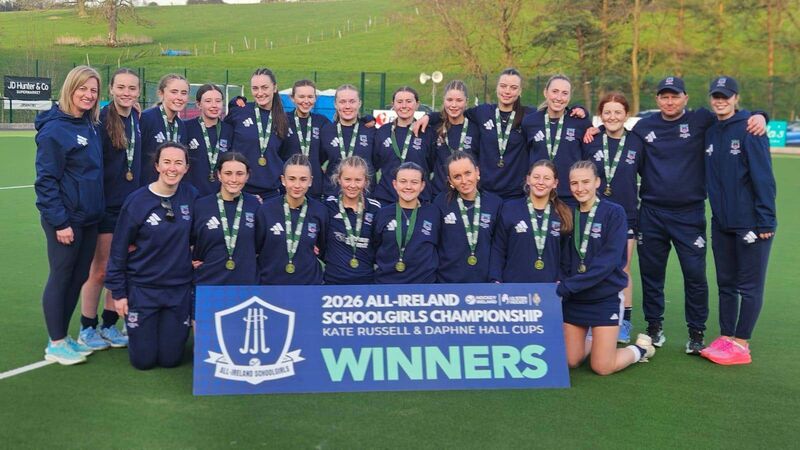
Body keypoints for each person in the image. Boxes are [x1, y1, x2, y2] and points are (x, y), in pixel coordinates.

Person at [629, 76, 766, 354]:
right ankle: (654, 327)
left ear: (686, 98)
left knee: (695, 276)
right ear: (656, 100)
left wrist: (761, 115)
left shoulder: (701, 120)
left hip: (688, 214)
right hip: (652, 212)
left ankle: (696, 333)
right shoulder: (643, 127)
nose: (669, 101)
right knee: (652, 274)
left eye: (675, 96)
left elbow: (733, 115)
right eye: (664, 96)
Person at [701, 76, 776, 365]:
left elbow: (764, 178)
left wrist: (766, 221)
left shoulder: (750, 128)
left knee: (750, 286)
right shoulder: (710, 129)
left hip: (752, 224)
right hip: (721, 223)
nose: (720, 101)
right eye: (716, 96)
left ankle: (741, 344)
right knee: (725, 283)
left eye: (726, 96)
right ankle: (726, 336)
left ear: (736, 98)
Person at [557, 161, 656, 375]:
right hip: (575, 299)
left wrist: (567, 286)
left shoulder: (614, 212)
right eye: (574, 183)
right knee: (571, 361)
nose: (580, 188)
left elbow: (608, 262)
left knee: (602, 367)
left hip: (604, 297)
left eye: (586, 182)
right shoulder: (568, 213)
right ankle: (597, 340)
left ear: (597, 182)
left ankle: (639, 349)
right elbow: (564, 258)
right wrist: (564, 283)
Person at [106, 142, 198, 370]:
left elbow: (207, 227)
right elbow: (118, 250)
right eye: (166, 162)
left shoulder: (191, 196)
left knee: (170, 360)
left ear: (186, 168)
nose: (172, 168)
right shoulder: (137, 202)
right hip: (143, 289)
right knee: (143, 362)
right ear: (157, 165)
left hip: (178, 290)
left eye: (179, 163)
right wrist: (119, 294)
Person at [35, 65, 104, 365]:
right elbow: (46, 181)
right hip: (65, 220)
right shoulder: (54, 130)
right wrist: (60, 221)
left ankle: (64, 337)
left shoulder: (89, 124)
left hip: (89, 218)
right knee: (61, 277)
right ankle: (56, 342)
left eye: (93, 91)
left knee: (78, 278)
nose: (88, 95)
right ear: (70, 89)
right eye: (83, 89)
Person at [76, 68, 140, 351]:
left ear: (138, 92)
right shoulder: (100, 120)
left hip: (131, 208)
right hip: (106, 208)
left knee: (120, 269)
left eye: (132, 88)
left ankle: (109, 324)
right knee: (100, 271)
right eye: (121, 87)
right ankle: (87, 327)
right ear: (111, 90)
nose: (127, 92)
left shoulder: (137, 118)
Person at [581, 92, 644, 344]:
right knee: (593, 264)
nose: (613, 117)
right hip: (595, 212)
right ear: (600, 115)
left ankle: (623, 321)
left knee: (622, 268)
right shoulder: (591, 140)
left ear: (626, 115)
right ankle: (590, 319)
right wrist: (592, 127)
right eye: (607, 112)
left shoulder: (637, 142)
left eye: (618, 112)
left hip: (627, 214)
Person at [489, 159, 572, 283]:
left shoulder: (562, 213)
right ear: (528, 179)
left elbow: (566, 256)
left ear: (555, 183)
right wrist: (495, 279)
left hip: (549, 289)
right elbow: (498, 249)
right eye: (536, 177)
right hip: (514, 289)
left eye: (547, 178)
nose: (540, 182)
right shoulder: (510, 208)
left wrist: (561, 280)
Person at [255, 154, 326, 284]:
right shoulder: (266, 210)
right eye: (292, 179)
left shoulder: (320, 211)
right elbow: (256, 249)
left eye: (303, 179)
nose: (297, 185)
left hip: (308, 285)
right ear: (283, 180)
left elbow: (324, 247)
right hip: (271, 285)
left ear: (310, 181)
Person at [192, 152, 260, 287]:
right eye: (228, 173)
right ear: (219, 175)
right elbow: (186, 240)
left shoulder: (256, 205)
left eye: (240, 174)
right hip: (209, 284)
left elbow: (265, 243)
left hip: (246, 284)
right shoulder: (201, 206)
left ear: (247, 176)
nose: (233, 179)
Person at [524, 74, 592, 207]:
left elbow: (588, 155)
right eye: (555, 92)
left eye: (564, 93)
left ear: (569, 97)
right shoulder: (530, 122)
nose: (559, 98)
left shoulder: (579, 122)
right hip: (538, 195)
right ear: (545, 92)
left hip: (570, 197)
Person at [434, 151, 501, 283]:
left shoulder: (495, 203)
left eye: (468, 173)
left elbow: (499, 247)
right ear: (450, 181)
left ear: (477, 172)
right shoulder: (440, 203)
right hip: (448, 283)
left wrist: (495, 277)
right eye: (457, 176)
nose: (464, 181)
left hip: (485, 284)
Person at [224, 68, 289, 200]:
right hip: (240, 190)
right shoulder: (239, 112)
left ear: (275, 88)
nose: (260, 93)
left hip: (271, 194)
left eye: (265, 88)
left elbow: (283, 156)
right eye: (255, 88)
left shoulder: (283, 119)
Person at [373, 162, 440, 284]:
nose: (408, 187)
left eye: (414, 182)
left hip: (424, 287)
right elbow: (375, 246)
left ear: (422, 185)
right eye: (403, 181)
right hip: (387, 285)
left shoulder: (433, 213)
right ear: (395, 184)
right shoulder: (383, 213)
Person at [323, 155, 382, 285]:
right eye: (347, 179)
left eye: (358, 180)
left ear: (366, 181)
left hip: (366, 282)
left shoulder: (375, 209)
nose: (352, 185)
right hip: (333, 281)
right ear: (339, 179)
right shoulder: (328, 207)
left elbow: (379, 244)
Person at [372, 87, 435, 204]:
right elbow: (375, 164)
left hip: (419, 200)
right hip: (387, 199)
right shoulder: (382, 132)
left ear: (417, 104)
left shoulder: (427, 133)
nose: (404, 106)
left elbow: (431, 166)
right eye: (399, 102)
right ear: (393, 105)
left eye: (409, 101)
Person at [320, 84, 377, 198]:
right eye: (342, 102)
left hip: (365, 197)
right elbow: (317, 160)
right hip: (333, 196)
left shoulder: (370, 130)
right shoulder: (326, 130)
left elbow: (378, 163)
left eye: (352, 101)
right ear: (335, 104)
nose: (347, 106)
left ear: (359, 103)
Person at [281, 79, 330, 199]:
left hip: (314, 185)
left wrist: (366, 121)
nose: (306, 101)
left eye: (310, 97)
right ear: (292, 98)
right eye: (301, 96)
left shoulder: (322, 121)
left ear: (315, 98)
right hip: (288, 185)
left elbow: (327, 150)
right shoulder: (282, 120)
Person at [430, 80, 480, 197]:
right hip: (439, 195)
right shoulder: (435, 128)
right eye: (449, 100)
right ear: (444, 100)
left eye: (459, 100)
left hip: (468, 194)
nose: (453, 105)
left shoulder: (476, 129)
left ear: (466, 102)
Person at [139, 73, 189, 185]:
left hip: (171, 189)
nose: (179, 97)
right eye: (174, 92)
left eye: (184, 93)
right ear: (161, 94)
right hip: (148, 189)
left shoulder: (180, 126)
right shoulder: (146, 119)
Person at [184, 84, 233, 196]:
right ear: (198, 104)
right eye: (208, 101)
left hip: (219, 196)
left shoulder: (229, 130)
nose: (214, 105)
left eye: (218, 101)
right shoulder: (186, 128)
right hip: (191, 195)